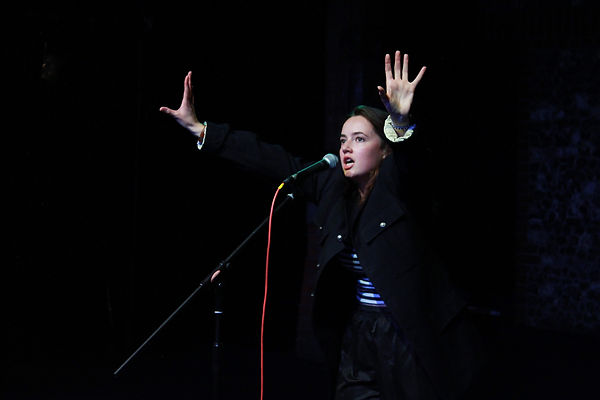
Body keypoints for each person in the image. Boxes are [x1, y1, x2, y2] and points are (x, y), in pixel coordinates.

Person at [160, 51, 483, 400]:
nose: (346, 148)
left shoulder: (400, 185)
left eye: (360, 139)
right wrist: (202, 130)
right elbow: (273, 160)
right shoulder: (332, 187)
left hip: (409, 331)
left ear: (384, 150)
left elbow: (416, 164)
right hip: (360, 329)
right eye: (343, 140)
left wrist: (401, 123)